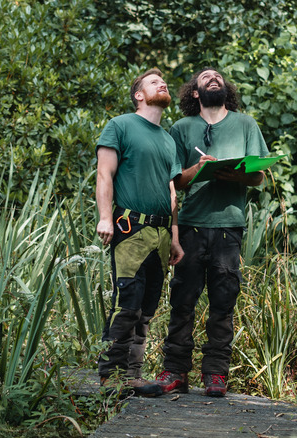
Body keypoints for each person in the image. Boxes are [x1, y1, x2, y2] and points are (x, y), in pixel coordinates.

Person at [142, 67, 268, 398]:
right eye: (204, 77)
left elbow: (259, 177)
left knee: (223, 301)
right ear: (195, 92)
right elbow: (173, 181)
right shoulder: (182, 128)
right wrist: (199, 169)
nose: (213, 78)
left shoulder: (245, 124)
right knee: (183, 299)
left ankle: (215, 374)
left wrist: (231, 174)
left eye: (217, 77)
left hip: (229, 225)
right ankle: (175, 371)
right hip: (192, 224)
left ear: (225, 88)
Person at [95, 68, 184, 396]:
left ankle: (132, 375)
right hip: (130, 228)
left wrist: (175, 238)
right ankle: (110, 376)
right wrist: (105, 217)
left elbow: (172, 193)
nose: (162, 84)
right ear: (139, 95)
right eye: (153, 82)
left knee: (146, 310)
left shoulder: (168, 139)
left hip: (161, 236)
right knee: (126, 303)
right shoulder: (120, 125)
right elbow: (105, 174)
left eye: (163, 81)